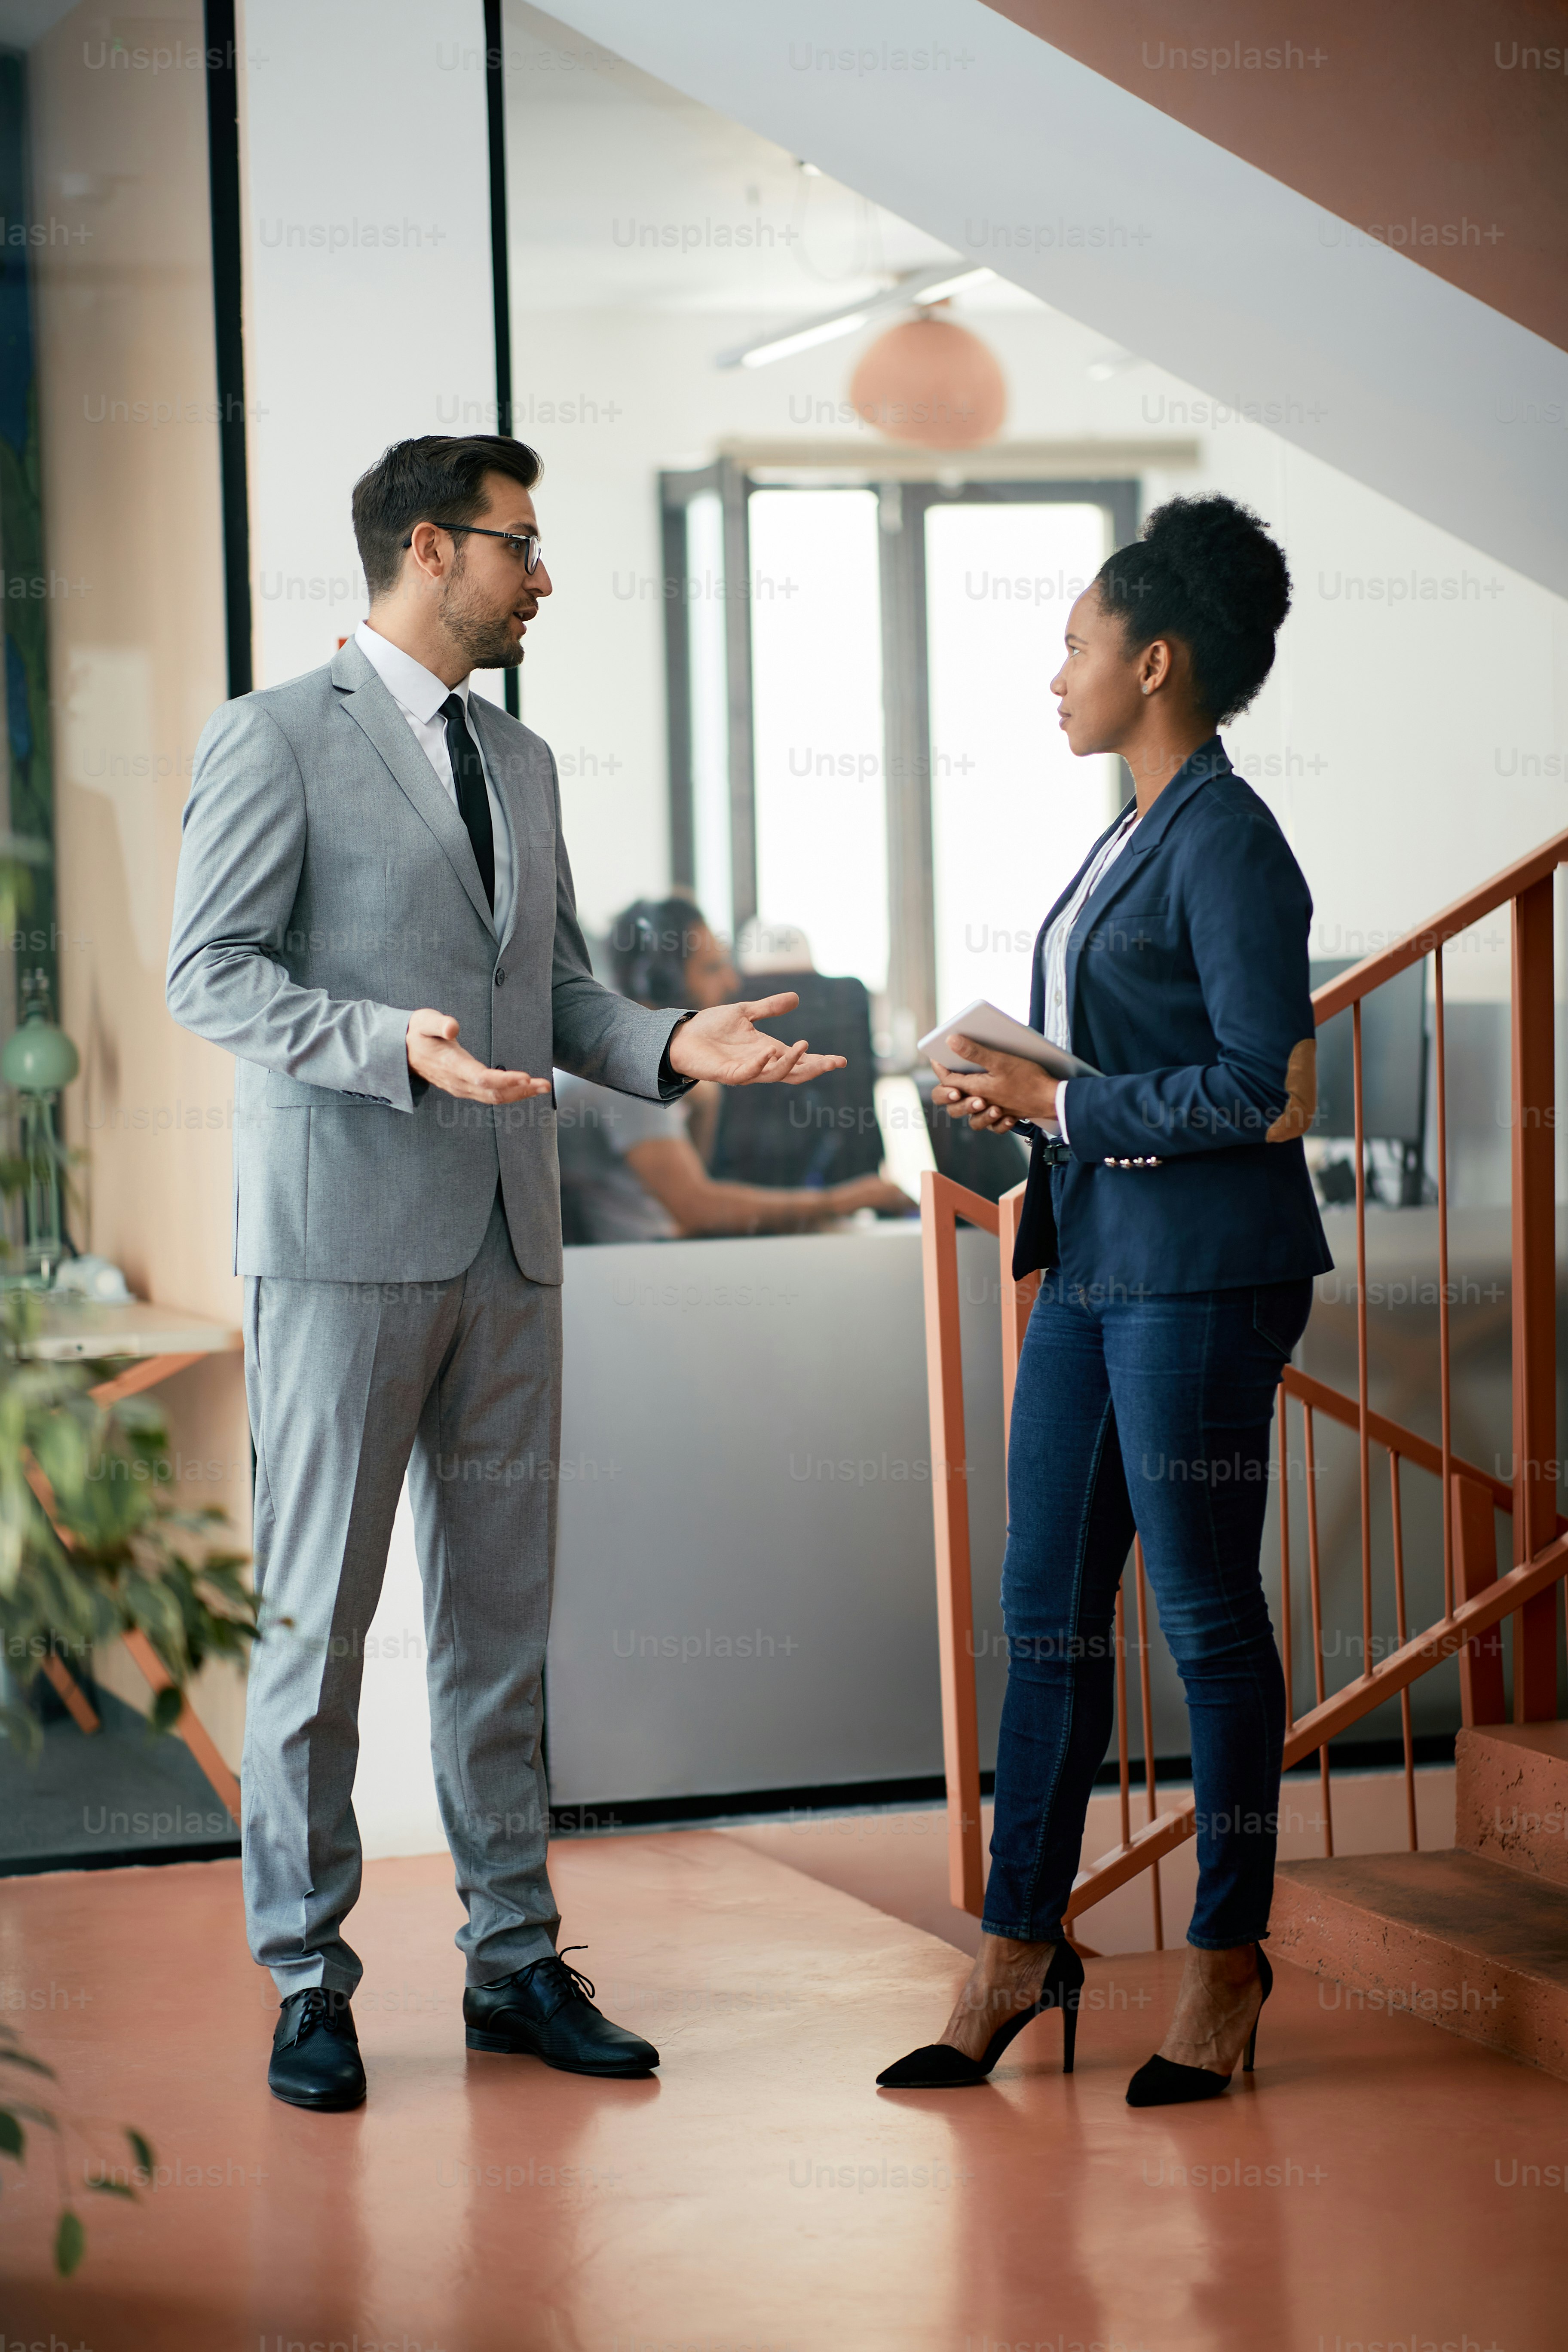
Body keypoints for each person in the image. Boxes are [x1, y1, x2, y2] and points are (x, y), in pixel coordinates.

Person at [166, 435, 851, 2112]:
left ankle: (510, 1957)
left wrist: (683, 1039)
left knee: (498, 1631)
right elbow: (209, 974)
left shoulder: (525, 763)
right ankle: (308, 1977)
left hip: (509, 1252)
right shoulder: (274, 738)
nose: (543, 573)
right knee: (317, 1628)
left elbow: (552, 1000)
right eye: (519, 543)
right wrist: (385, 1045)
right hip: (338, 1249)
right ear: (427, 545)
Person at [877, 494, 1331, 2106]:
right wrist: (1030, 1097)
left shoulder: (1226, 836)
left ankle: (1223, 1958)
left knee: (1205, 1622)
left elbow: (1258, 1087)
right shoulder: (1130, 826)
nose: (1051, 672)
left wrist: (1060, 1107)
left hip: (1200, 1278)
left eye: (1073, 642)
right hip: (1087, 1264)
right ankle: (1018, 1945)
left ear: (1151, 659)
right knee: (1044, 1619)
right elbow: (1141, 1061)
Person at [555, 898, 910, 1240]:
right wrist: (845, 1200)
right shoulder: (623, 1069)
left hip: (655, 1260)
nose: (731, 983)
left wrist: (705, 1105)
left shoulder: (635, 1061)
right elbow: (699, 1212)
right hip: (637, 1270)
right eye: (711, 968)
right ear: (660, 982)